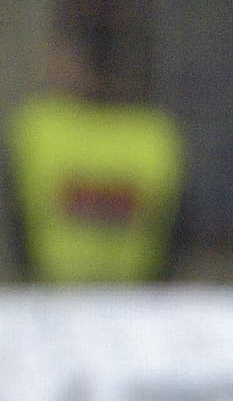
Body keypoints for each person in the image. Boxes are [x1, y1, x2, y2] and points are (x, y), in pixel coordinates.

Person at [5, 34, 185, 283]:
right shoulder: (156, 135)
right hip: (75, 291)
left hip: (120, 290)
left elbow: (176, 225)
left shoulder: (40, 130)